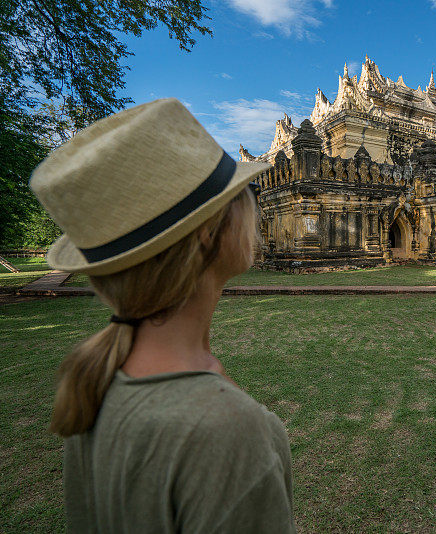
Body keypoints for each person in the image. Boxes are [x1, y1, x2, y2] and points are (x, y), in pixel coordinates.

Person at [29, 98, 296, 533]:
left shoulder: (96, 383)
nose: (255, 207)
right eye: (241, 195)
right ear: (211, 233)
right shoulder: (226, 431)